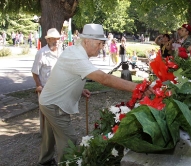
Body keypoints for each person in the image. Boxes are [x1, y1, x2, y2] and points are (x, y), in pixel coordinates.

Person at [37, 23, 153, 165]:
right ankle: (65, 163)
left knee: (50, 135)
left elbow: (66, 76)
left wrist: (79, 89)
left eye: (103, 44)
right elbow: (104, 78)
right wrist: (138, 87)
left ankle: (45, 161)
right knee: (69, 140)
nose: (101, 47)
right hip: (55, 104)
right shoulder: (77, 56)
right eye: (99, 43)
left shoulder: (75, 51)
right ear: (87, 41)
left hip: (48, 100)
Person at [31, 28, 61, 142]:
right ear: (48, 40)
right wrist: (38, 86)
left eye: (58, 39)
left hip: (58, 88)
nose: (56, 41)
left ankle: (55, 132)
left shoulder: (61, 52)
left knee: (57, 112)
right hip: (45, 89)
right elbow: (35, 72)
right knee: (45, 114)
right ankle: (44, 136)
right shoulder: (41, 53)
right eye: (53, 39)